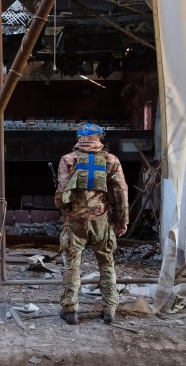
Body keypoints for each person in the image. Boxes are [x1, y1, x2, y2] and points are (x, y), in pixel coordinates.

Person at [54, 123, 129, 325]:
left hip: (74, 221)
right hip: (101, 221)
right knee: (106, 262)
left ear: (79, 138)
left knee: (73, 264)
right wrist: (122, 221)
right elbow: (121, 192)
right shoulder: (111, 160)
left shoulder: (68, 160)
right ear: (99, 137)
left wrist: (63, 208)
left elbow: (61, 193)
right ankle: (109, 310)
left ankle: (70, 310)